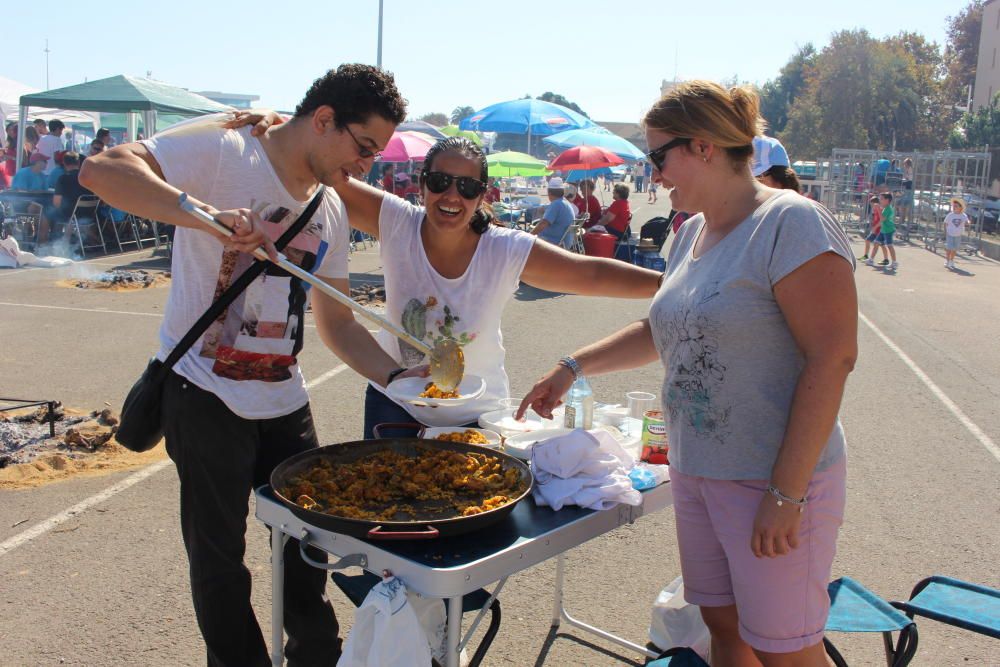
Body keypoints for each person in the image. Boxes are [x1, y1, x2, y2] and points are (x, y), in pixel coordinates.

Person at [80, 64, 412, 667]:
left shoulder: (329, 209)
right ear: (323, 120)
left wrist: (405, 380)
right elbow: (102, 170)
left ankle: (316, 656)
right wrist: (205, 215)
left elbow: (337, 323)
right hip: (203, 393)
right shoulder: (227, 148)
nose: (367, 166)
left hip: (285, 401)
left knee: (307, 548)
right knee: (219, 562)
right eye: (363, 148)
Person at [518, 80, 856, 667]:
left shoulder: (790, 222)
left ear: (702, 147)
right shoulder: (691, 231)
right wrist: (573, 366)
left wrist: (786, 492)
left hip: (770, 479)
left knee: (788, 653)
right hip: (699, 472)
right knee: (725, 633)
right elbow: (662, 328)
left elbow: (834, 357)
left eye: (658, 157)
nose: (654, 175)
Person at [865, 192, 897, 270]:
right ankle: (871, 260)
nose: (880, 200)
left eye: (882, 199)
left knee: (889, 245)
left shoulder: (888, 209)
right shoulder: (885, 208)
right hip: (883, 230)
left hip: (888, 230)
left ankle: (894, 262)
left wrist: (878, 209)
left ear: (887, 200)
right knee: (876, 243)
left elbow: (882, 219)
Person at [944, 197, 969, 269]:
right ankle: (947, 260)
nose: (954, 208)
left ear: (960, 207)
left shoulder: (963, 215)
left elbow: (967, 221)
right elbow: (945, 223)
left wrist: (968, 222)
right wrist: (945, 232)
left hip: (958, 235)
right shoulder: (950, 215)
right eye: (953, 206)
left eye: (956, 206)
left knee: (954, 249)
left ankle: (952, 260)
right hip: (950, 234)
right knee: (949, 248)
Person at [858, 196, 881, 262]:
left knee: (882, 246)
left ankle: (886, 259)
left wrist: (875, 226)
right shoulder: (873, 210)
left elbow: (882, 220)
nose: (871, 205)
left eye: (872, 204)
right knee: (867, 240)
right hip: (874, 230)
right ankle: (866, 256)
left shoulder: (880, 210)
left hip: (879, 230)